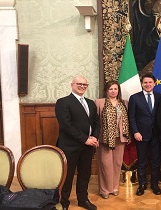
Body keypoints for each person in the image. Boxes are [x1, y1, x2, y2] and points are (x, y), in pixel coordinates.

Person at [55, 76, 100, 210]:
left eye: (85, 85)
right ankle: (63, 201)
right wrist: (85, 139)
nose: (82, 86)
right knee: (67, 176)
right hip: (70, 146)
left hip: (88, 146)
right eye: (79, 84)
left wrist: (94, 137)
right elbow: (66, 125)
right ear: (72, 85)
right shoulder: (63, 102)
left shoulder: (91, 103)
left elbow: (96, 123)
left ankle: (83, 199)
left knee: (85, 174)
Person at [128, 73, 161, 196]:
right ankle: (142, 184)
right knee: (142, 161)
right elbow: (131, 117)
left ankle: (154, 184)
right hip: (141, 135)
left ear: (154, 84)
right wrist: (135, 132)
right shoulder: (134, 98)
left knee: (155, 161)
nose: (148, 84)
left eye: (150, 82)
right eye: (145, 82)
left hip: (157, 135)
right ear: (142, 84)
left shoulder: (159, 97)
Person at [94, 81, 130, 199]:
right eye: (111, 89)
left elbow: (127, 120)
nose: (113, 91)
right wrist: (95, 137)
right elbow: (95, 122)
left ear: (118, 90)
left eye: (115, 89)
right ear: (106, 90)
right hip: (104, 139)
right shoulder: (99, 102)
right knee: (105, 164)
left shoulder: (124, 103)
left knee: (117, 163)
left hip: (120, 138)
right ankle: (104, 189)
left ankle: (114, 187)